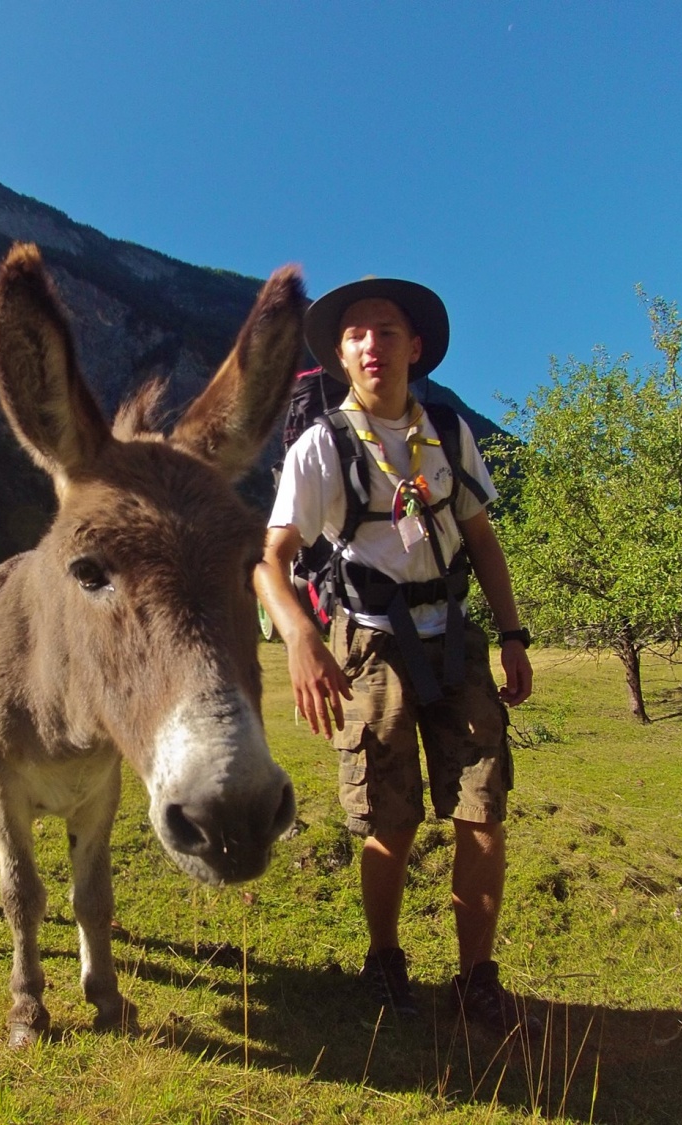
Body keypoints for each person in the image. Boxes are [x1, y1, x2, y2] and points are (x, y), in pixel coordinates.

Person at [254, 276, 540, 1039]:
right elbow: (269, 561)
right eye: (356, 334)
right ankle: (384, 958)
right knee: (392, 817)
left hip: (455, 638)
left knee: (483, 809)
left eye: (386, 331)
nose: (371, 344)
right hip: (370, 642)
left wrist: (513, 635)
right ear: (341, 355)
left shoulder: (446, 431)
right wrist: (300, 636)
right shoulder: (323, 446)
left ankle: (477, 978)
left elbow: (482, 541)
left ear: (415, 347)